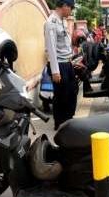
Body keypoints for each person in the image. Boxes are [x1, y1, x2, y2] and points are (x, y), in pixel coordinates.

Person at [44, 0, 77, 130]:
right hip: (58, 65)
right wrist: (55, 71)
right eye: (71, 8)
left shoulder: (62, 21)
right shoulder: (50, 23)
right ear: (64, 6)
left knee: (71, 92)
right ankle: (60, 122)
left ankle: (69, 119)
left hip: (67, 63)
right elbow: (51, 48)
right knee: (61, 95)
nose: (71, 11)